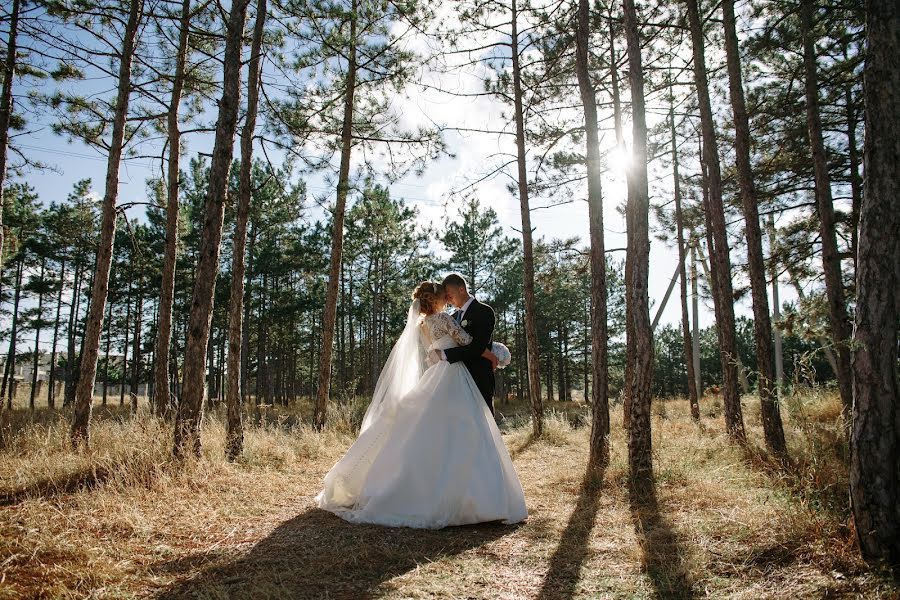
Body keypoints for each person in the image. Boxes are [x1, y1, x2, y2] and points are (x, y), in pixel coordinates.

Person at [316, 281, 527, 529]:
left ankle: (421, 485)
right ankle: (471, 496)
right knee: (465, 428)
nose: (447, 300)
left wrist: (454, 353)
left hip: (437, 375)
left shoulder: (422, 325)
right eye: (444, 297)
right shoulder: (446, 318)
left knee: (431, 429)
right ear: (436, 299)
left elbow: (432, 353)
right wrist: (494, 351)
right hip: (453, 376)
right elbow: (467, 341)